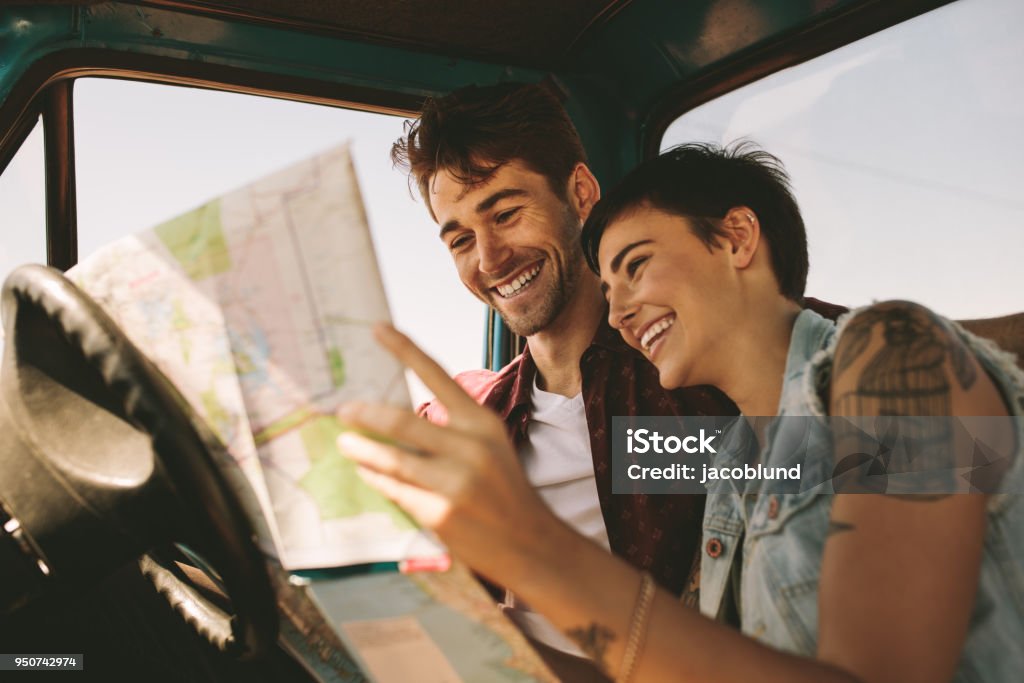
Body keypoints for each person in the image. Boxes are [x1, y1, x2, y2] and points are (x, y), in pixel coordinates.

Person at [336, 143, 1024, 682]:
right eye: (607, 286)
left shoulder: (895, 354)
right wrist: (472, 634)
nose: (618, 310)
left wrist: (531, 545)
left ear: (736, 239)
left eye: (636, 265)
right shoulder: (731, 474)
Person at [389, 84, 844, 648]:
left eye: (506, 214)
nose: (488, 258)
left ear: (580, 193)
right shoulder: (475, 415)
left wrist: (678, 456)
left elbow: (943, 451)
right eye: (460, 240)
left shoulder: (695, 355)